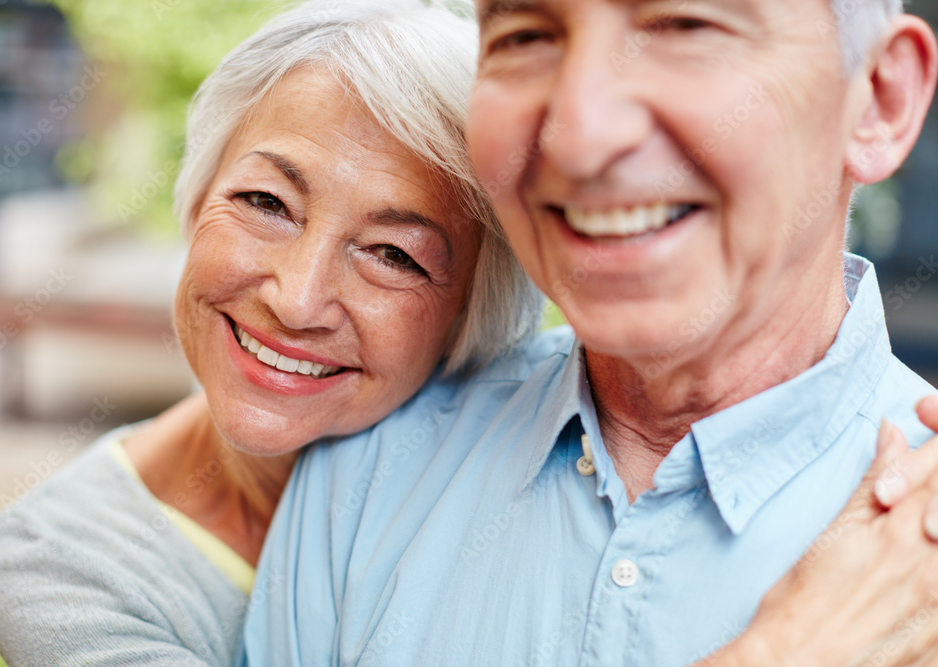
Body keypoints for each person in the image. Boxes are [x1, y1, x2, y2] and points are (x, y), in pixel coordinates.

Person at [238, 0, 938, 665]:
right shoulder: (367, 467)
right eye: (524, 36)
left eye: (685, 25)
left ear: (878, 101)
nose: (580, 135)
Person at [0, 2, 545, 664]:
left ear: (469, 315)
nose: (298, 299)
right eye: (266, 202)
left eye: (393, 253)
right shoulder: (55, 563)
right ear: (194, 202)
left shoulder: (548, 452)